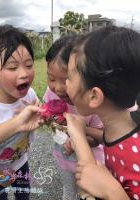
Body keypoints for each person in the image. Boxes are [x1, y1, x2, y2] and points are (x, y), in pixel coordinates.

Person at [64, 25, 140, 200]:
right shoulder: (122, 125)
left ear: (94, 96)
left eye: (69, 77)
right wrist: (87, 132)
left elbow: (90, 180)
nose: (66, 84)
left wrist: (113, 192)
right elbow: (111, 139)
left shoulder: (135, 156)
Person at [43, 35, 104, 200]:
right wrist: (47, 118)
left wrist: (78, 140)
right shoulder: (50, 94)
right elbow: (51, 120)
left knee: (88, 193)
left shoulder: (92, 103)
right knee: (68, 192)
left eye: (66, 79)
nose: (58, 88)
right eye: (51, 78)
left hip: (91, 162)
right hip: (62, 157)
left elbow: (100, 137)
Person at [0, 25, 44, 200]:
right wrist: (0, 175)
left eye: (28, 65)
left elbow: (39, 113)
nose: (24, 74)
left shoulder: (29, 94)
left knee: (24, 194)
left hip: (20, 162)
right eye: (12, 68)